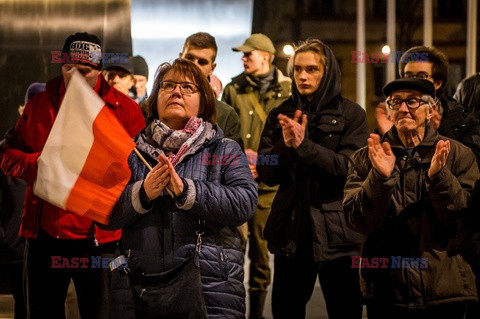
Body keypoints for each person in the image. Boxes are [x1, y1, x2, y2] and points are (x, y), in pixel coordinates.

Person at [0, 32, 145, 319]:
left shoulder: (125, 110)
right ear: (60, 66)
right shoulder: (39, 105)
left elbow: (141, 173)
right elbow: (7, 157)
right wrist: (38, 165)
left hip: (99, 240)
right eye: (69, 69)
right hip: (44, 236)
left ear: (99, 70)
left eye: (85, 71)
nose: (76, 77)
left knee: (100, 313)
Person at [105, 58, 258, 317]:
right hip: (139, 288)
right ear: (155, 98)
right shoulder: (129, 151)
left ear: (204, 100)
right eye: (168, 85)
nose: (177, 91)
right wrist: (142, 194)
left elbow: (244, 203)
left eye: (188, 87)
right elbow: (106, 213)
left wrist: (187, 191)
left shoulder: (224, 148)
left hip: (210, 287)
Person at [343, 78, 478, 319]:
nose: (403, 108)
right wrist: (379, 179)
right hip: (387, 291)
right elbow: (357, 222)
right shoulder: (368, 158)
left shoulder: (458, 155)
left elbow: (462, 223)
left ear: (431, 110)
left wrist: (440, 177)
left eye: (413, 101)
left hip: (444, 291)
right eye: (396, 102)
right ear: (389, 111)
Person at [257, 39, 366, 319]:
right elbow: (267, 172)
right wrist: (285, 145)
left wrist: (304, 147)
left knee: (346, 310)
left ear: (327, 72)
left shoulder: (352, 115)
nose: (303, 76)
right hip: (292, 232)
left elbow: (347, 169)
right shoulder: (279, 114)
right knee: (285, 311)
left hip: (339, 234)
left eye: (312, 69)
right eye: (297, 70)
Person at [222, 33, 291, 318]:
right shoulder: (233, 88)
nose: (243, 58)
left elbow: (290, 138)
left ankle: (257, 315)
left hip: (268, 186)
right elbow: (223, 132)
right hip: (236, 184)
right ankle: (232, 310)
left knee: (262, 256)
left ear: (266, 57)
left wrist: (263, 163)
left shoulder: (288, 91)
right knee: (233, 250)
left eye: (248, 54)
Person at [376, 46, 480, 161]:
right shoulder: (394, 114)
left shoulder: (462, 121)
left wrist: (439, 133)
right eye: (409, 76)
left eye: (422, 76)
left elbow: (471, 164)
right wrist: (390, 135)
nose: (413, 82)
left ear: (438, 83)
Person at [180, 31, 243, 148]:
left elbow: (233, 163)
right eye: (189, 58)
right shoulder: (156, 105)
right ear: (180, 57)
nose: (194, 65)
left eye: (202, 62)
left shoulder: (225, 115)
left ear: (212, 68)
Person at [129, 55, 149, 119]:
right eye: (133, 80)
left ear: (146, 81)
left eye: (141, 80)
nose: (136, 85)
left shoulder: (153, 108)